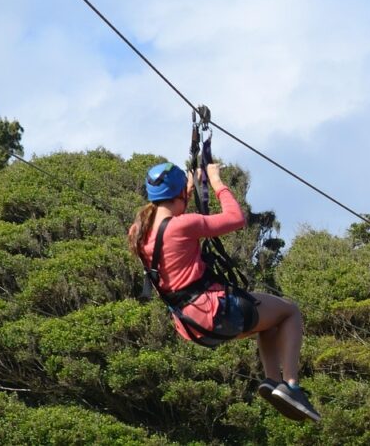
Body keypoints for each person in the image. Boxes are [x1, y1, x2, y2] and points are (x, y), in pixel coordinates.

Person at [128, 161, 321, 422]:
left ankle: (272, 381)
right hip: (214, 310)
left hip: (188, 323)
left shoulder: (139, 231)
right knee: (289, 312)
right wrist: (216, 181)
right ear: (180, 195)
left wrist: (185, 190)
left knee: (269, 322)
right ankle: (291, 385)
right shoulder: (182, 225)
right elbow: (235, 219)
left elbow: (174, 232)